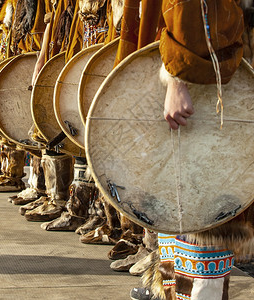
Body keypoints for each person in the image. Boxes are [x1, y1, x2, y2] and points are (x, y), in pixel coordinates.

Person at [108, 1, 254, 299]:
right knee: (178, 198)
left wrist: (178, 79)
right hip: (187, 70)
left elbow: (194, 9)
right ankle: (174, 289)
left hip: (198, 80)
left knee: (203, 204)